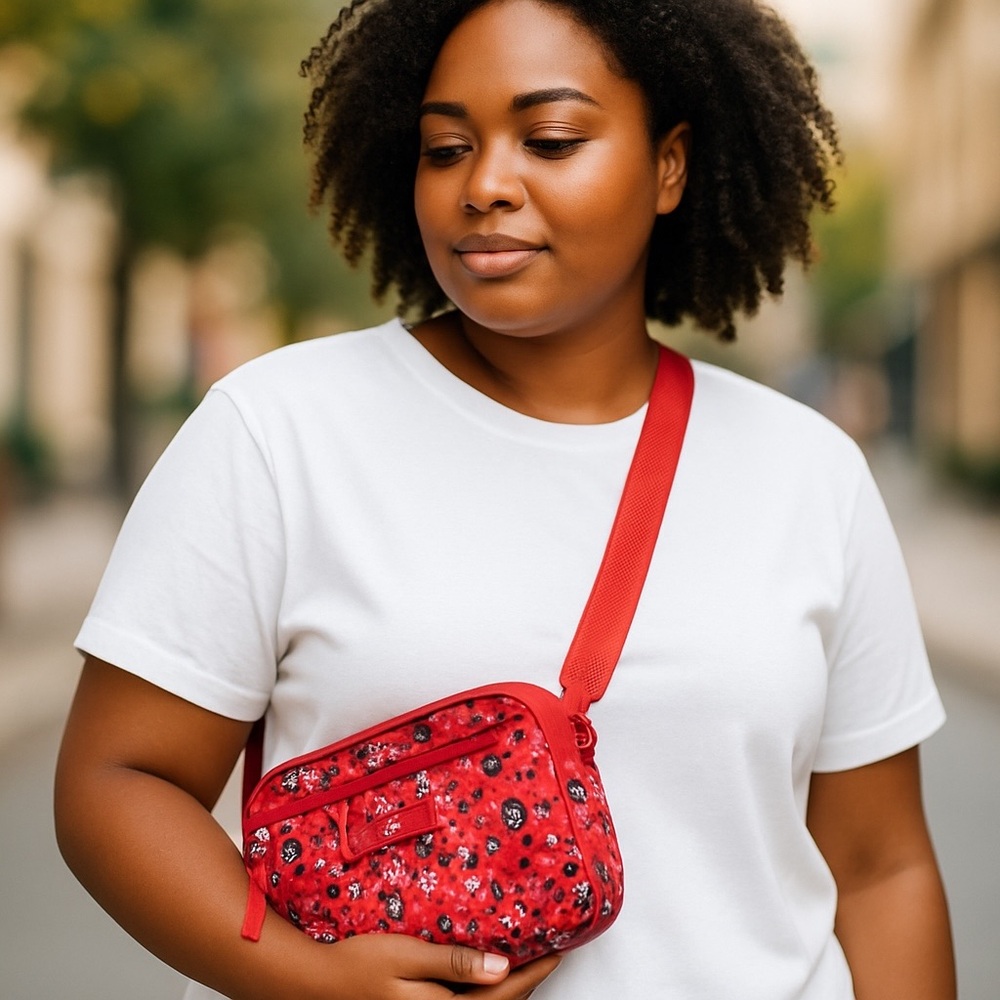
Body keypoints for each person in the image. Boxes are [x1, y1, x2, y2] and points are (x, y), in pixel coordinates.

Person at [54, 1, 956, 998]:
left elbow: (881, 869)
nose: (484, 184)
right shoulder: (278, 431)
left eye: (551, 139)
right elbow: (118, 781)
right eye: (445, 148)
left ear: (669, 165)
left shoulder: (808, 473)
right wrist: (311, 981)